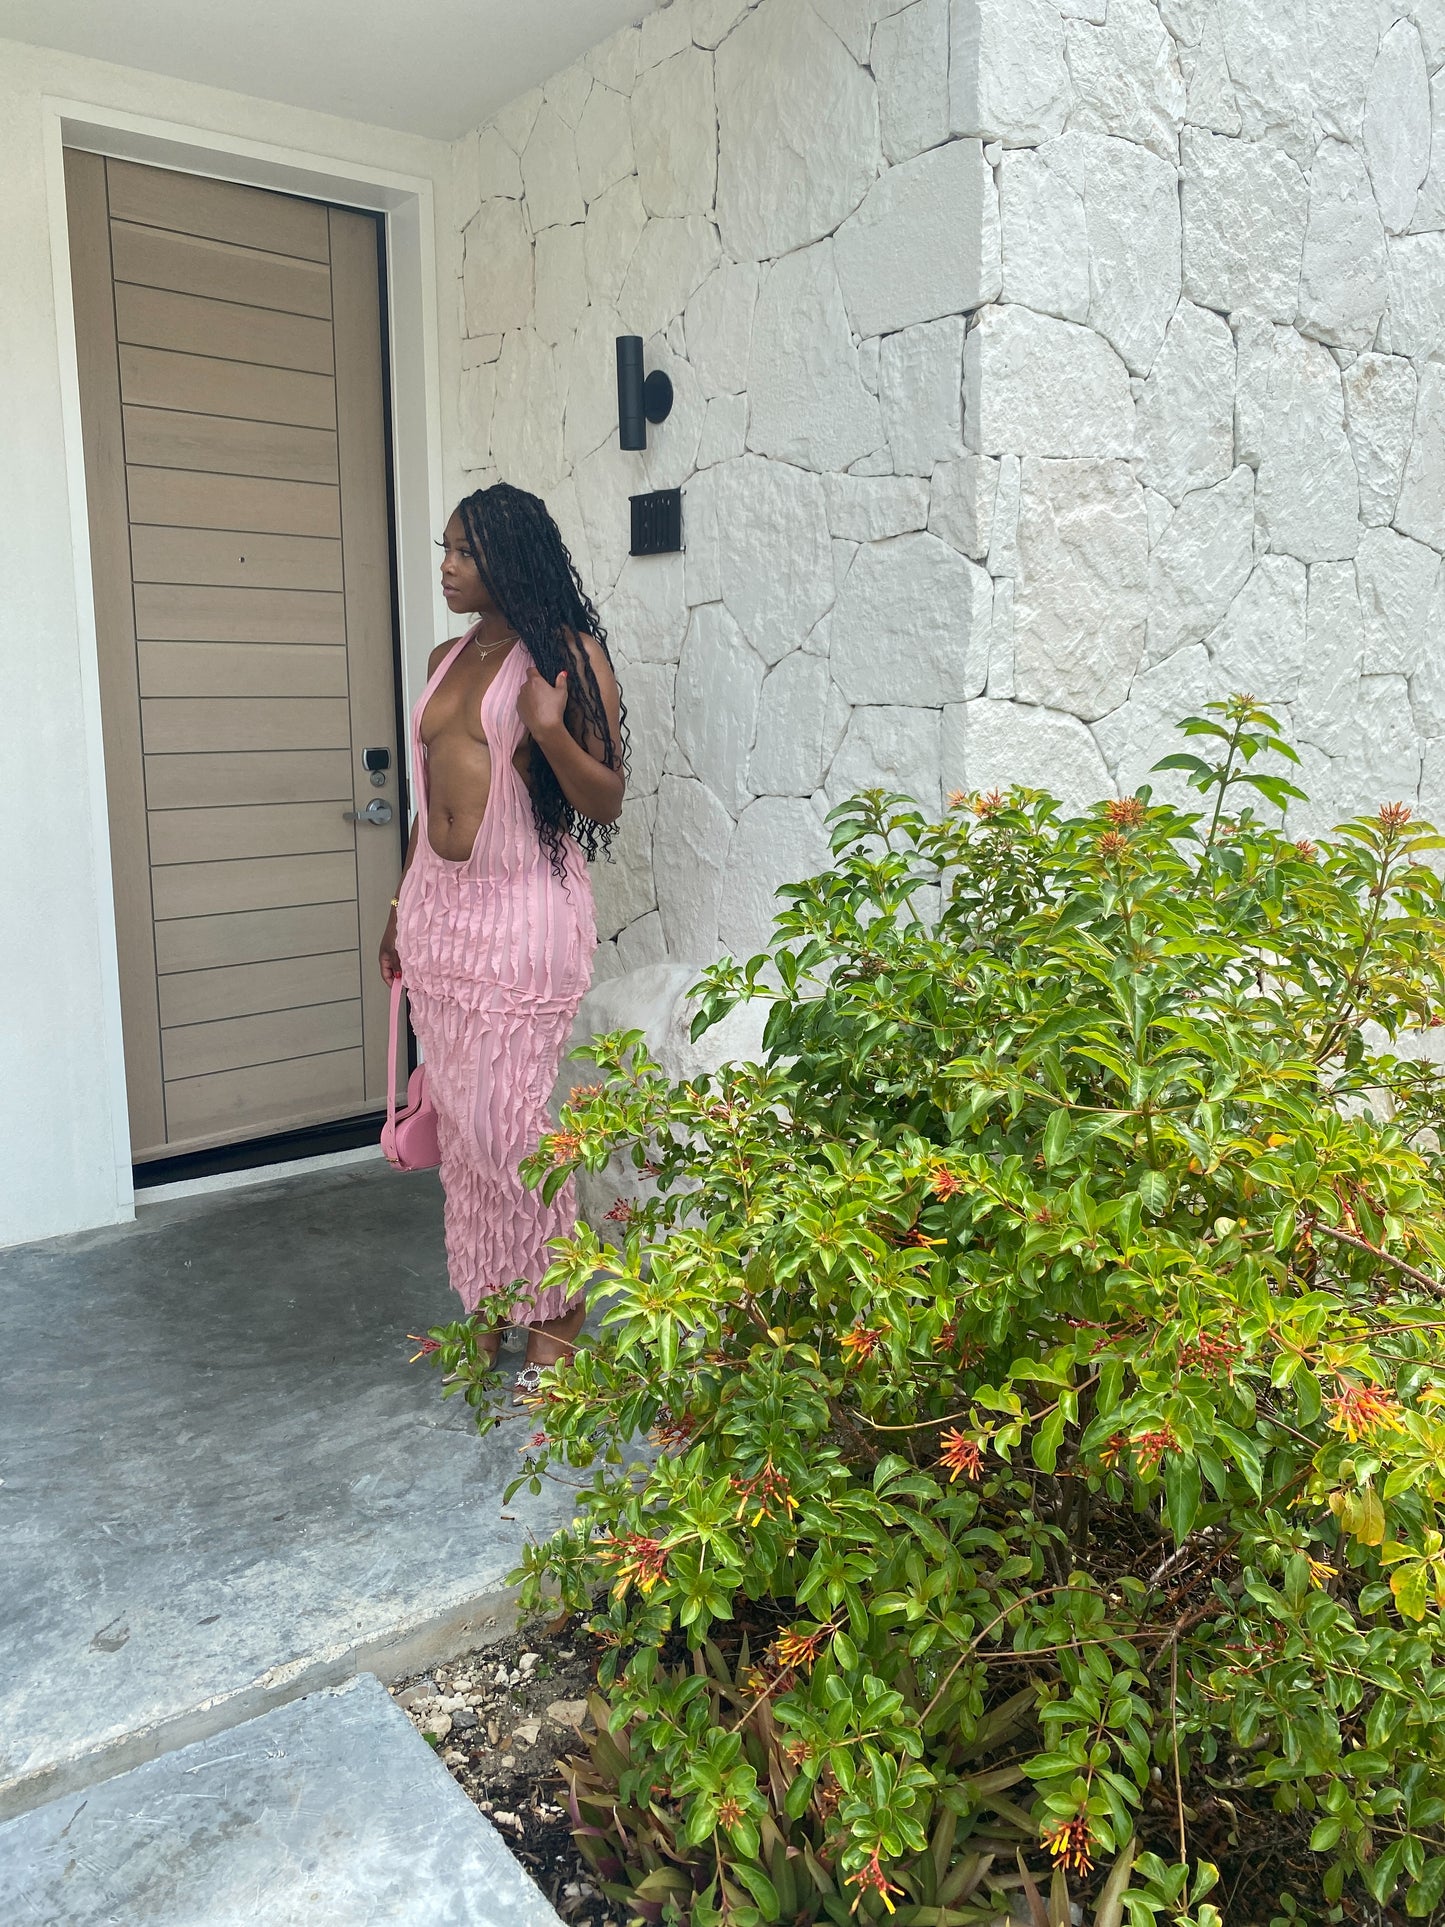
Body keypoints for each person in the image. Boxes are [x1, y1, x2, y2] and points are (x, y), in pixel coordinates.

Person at [379, 483, 625, 1399]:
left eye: (462, 554)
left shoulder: (565, 657)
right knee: (463, 1128)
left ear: (508, 559)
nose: (445, 567)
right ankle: (490, 1298)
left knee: (515, 1126)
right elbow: (428, 795)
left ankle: (556, 1315)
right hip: (441, 916)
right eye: (444, 550)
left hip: (522, 917)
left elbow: (604, 797)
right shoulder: (447, 657)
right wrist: (401, 906)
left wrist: (550, 732)